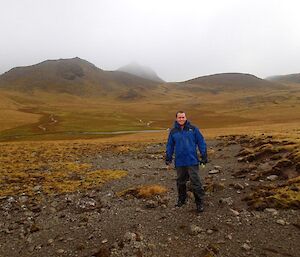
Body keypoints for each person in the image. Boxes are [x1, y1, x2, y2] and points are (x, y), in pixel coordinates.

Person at [165, 111, 207, 213]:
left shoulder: (193, 129)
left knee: (196, 182)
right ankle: (182, 200)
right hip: (180, 162)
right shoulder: (173, 131)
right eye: (179, 117)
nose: (181, 119)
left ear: (186, 117)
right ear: (176, 119)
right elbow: (170, 145)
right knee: (180, 182)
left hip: (192, 160)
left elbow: (201, 141)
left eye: (183, 117)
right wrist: (168, 157)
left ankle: (199, 203)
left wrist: (204, 155)